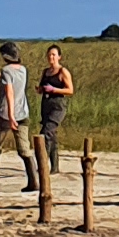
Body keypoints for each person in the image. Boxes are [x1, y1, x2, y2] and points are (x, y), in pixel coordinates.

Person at [0, 42, 31, 192]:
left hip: (6, 115)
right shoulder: (23, 70)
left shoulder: (6, 71)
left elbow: (9, 92)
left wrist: (10, 115)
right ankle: (34, 180)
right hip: (23, 113)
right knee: (25, 149)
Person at [39, 46, 75, 176]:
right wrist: (40, 89)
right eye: (49, 55)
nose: (51, 57)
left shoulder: (63, 71)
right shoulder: (45, 72)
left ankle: (42, 162)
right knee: (52, 135)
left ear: (59, 56)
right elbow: (42, 87)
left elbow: (70, 90)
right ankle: (54, 167)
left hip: (58, 105)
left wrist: (54, 90)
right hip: (46, 104)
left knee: (47, 132)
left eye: (54, 55)